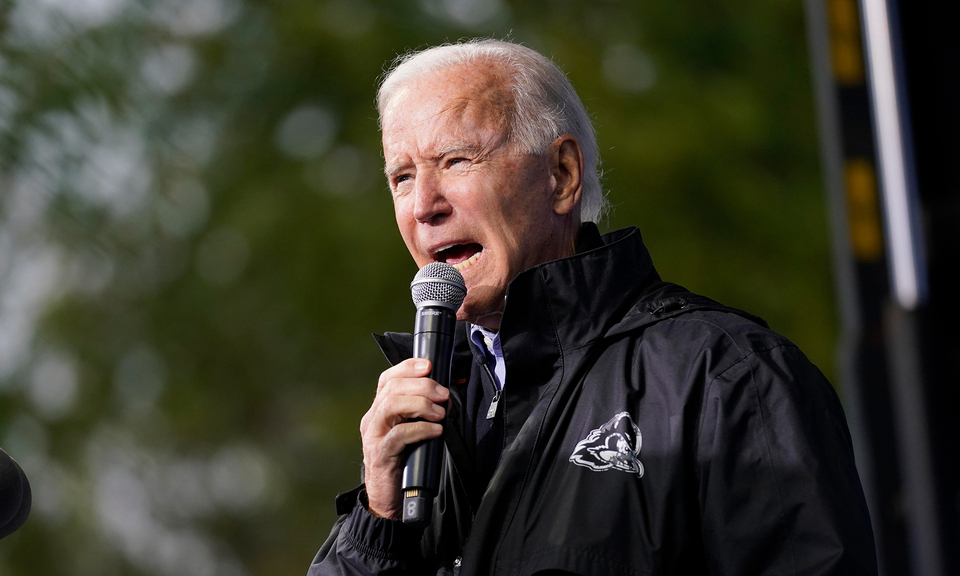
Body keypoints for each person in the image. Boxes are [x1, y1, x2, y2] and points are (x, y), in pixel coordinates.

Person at [309, 38, 877, 575]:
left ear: (561, 175)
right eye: (402, 177)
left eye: (456, 160)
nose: (424, 205)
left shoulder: (728, 376)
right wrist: (378, 525)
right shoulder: (420, 423)